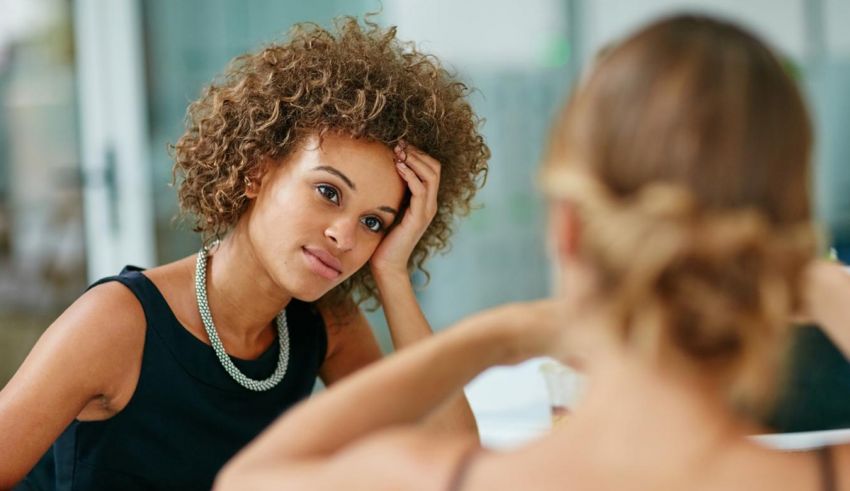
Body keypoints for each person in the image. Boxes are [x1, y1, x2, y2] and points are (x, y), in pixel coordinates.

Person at [215, 14, 850, 491]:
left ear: (567, 230)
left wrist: (499, 336)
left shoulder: (462, 479)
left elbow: (252, 478)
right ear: (775, 252)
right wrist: (806, 276)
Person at [0, 17, 488, 490]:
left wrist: (394, 273)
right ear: (256, 171)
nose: (345, 235)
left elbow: (449, 463)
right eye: (329, 192)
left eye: (373, 222)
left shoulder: (326, 321)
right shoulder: (117, 323)